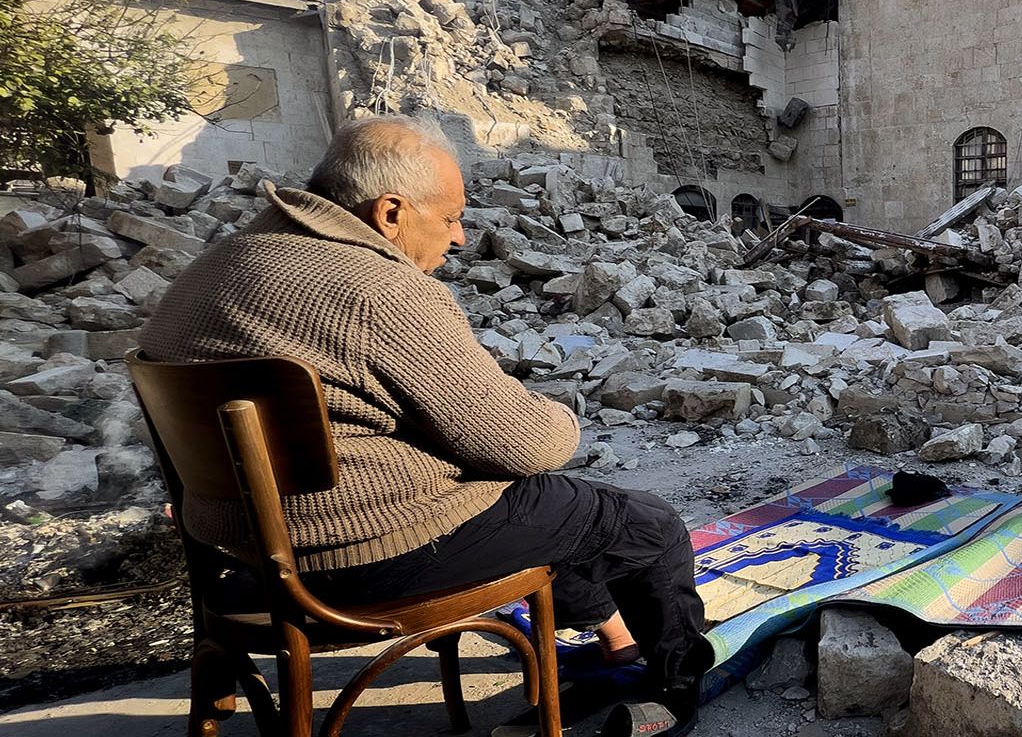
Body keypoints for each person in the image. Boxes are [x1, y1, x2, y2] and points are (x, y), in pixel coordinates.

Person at [139, 116, 709, 730]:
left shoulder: (219, 264)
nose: (461, 238)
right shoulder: (375, 288)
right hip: (365, 557)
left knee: (553, 509)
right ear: (390, 212)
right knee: (644, 523)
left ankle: (616, 642)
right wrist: (562, 416)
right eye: (449, 218)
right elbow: (524, 444)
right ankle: (675, 695)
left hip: (245, 558)